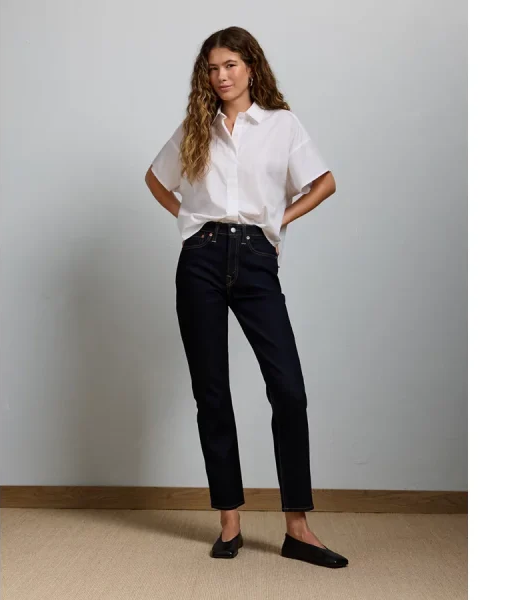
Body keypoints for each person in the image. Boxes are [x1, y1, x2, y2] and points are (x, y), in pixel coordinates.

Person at [145, 26, 348, 569]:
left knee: (288, 389)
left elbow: (324, 181)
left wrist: (277, 220)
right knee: (212, 392)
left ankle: (297, 528)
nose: (221, 76)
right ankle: (229, 521)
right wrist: (191, 222)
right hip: (201, 260)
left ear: (251, 67)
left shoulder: (282, 124)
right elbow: (156, 178)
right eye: (212, 68)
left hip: (256, 258)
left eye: (230, 65)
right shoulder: (197, 127)